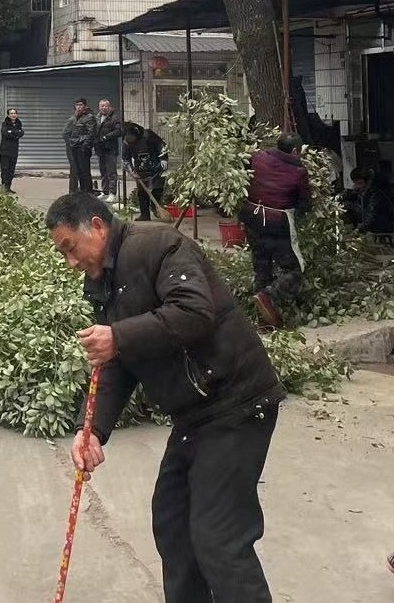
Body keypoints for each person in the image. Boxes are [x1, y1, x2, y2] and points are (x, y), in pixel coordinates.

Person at [45, 191, 285, 603]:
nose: (70, 262)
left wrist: (118, 336)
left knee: (218, 536)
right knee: (173, 524)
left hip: (236, 403)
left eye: (71, 247)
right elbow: (117, 360)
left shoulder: (158, 245)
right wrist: (93, 430)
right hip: (194, 415)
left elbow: (194, 311)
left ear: (97, 227)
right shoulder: (102, 281)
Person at [239, 132, 312, 330]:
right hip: (276, 224)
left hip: (251, 219)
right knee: (295, 271)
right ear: (295, 151)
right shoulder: (298, 171)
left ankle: (265, 322)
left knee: (262, 268)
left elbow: (245, 178)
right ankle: (268, 297)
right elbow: (304, 203)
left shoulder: (257, 157)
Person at [122, 122, 167, 221]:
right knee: (142, 192)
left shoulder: (148, 135)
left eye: (130, 137)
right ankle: (145, 214)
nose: (128, 139)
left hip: (155, 166)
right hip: (140, 169)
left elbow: (161, 145)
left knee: (158, 188)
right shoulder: (126, 142)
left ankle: (156, 208)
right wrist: (132, 172)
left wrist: (163, 158)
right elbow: (125, 159)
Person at [347, 168, 394, 242]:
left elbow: (371, 213)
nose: (358, 186)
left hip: (382, 230)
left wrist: (361, 227)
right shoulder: (364, 191)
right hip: (374, 229)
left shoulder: (376, 192)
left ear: (367, 181)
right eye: (355, 183)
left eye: (360, 183)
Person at [63, 98, 96, 193]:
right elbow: (65, 133)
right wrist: (70, 143)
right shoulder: (73, 118)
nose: (78, 107)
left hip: (83, 149)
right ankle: (73, 192)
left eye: (80, 105)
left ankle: (86, 193)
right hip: (73, 149)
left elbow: (91, 134)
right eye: (77, 105)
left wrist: (84, 146)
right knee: (74, 171)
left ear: (85, 106)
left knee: (84, 172)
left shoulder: (89, 117)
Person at [95, 99, 123, 200]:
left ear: (109, 107)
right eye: (101, 106)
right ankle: (105, 191)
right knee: (103, 171)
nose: (103, 108)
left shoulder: (114, 117)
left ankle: (112, 193)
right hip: (100, 148)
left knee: (111, 172)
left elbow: (119, 131)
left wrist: (106, 137)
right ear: (99, 107)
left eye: (105, 106)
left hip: (110, 149)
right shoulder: (97, 117)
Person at [0, 108, 23, 192]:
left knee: (11, 170)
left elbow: (21, 133)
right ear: (8, 115)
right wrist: (15, 134)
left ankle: (8, 187)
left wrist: (12, 133)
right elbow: (5, 134)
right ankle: (3, 187)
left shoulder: (18, 123)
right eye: (11, 113)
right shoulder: (5, 124)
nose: (13, 115)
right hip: (5, 151)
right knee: (5, 170)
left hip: (14, 151)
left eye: (14, 113)